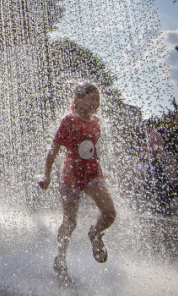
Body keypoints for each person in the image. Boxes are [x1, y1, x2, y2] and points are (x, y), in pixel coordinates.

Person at [38, 83, 116, 286]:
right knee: (70, 222)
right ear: (78, 100)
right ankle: (60, 259)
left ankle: (95, 233)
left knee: (109, 213)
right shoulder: (68, 120)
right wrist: (46, 175)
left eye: (97, 99)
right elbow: (53, 150)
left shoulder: (97, 122)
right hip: (71, 176)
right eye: (90, 98)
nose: (95, 103)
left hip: (92, 175)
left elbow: (90, 149)